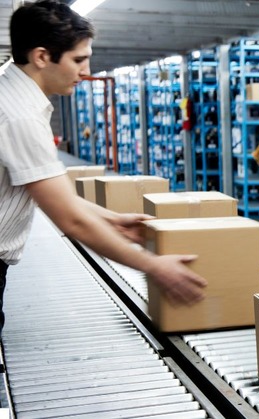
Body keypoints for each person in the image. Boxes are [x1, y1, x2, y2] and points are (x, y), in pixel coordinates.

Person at [0, 0, 207, 335]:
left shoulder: (13, 94)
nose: (86, 71)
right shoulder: (19, 114)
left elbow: (46, 191)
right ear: (41, 57)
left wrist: (113, 221)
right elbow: (70, 219)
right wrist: (153, 266)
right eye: (79, 59)